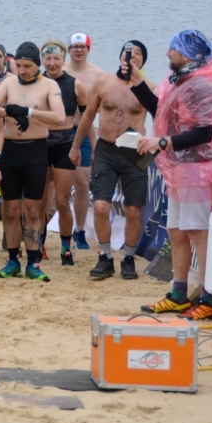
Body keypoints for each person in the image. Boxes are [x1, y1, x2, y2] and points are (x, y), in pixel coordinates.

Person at [135, 31, 212, 320]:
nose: (166, 53)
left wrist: (163, 142)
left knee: (198, 232)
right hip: (179, 169)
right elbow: (161, 113)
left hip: (198, 168)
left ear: (186, 54)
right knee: (176, 232)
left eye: (171, 49)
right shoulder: (180, 81)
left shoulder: (202, 85)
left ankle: (210, 298)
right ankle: (179, 295)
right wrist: (136, 82)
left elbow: (205, 133)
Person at [70, 42, 155, 281]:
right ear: (120, 57)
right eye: (128, 53)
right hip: (106, 149)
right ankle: (105, 257)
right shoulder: (104, 83)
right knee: (100, 206)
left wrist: (160, 144)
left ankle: (128, 258)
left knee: (134, 210)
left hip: (134, 150)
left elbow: (163, 116)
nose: (132, 56)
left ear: (143, 61)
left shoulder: (149, 88)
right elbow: (88, 116)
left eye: (138, 53)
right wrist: (76, 147)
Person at [0, 41, 66, 282]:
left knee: (32, 209)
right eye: (19, 65)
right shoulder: (9, 83)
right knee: (10, 210)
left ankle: (33, 262)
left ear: (37, 65)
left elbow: (59, 117)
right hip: (11, 150)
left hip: (35, 151)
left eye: (27, 66)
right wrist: (11, 111)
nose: (22, 70)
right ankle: (13, 260)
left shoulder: (49, 85)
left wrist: (27, 112)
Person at [41, 40, 89, 266]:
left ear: (63, 59)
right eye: (48, 58)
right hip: (40, 143)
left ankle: (65, 248)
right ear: (42, 60)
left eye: (56, 58)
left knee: (61, 201)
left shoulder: (75, 85)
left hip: (65, 143)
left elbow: (87, 118)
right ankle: (38, 245)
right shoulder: (36, 83)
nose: (52, 63)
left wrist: (80, 146)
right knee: (38, 202)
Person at [64, 32, 105, 250]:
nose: (79, 50)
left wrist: (99, 140)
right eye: (75, 47)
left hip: (86, 133)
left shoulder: (99, 75)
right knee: (52, 185)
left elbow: (105, 109)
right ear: (69, 50)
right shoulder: (59, 71)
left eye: (83, 47)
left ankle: (79, 230)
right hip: (61, 131)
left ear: (89, 49)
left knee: (81, 183)